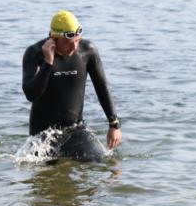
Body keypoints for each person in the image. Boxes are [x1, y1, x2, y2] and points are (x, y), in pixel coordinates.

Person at [21, 10, 122, 162]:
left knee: (100, 161)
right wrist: (48, 62)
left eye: (77, 40)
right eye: (69, 42)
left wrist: (114, 125)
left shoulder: (88, 51)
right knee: (43, 177)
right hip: (42, 134)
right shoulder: (34, 53)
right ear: (54, 38)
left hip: (75, 129)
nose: (74, 46)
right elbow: (31, 94)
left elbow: (101, 86)